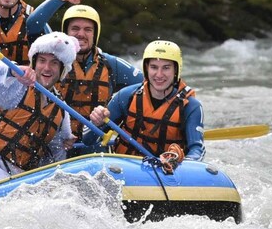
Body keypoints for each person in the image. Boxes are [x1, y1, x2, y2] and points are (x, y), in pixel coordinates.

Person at [0, 32, 79, 188]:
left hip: (16, 174)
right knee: (8, 193)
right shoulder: (15, 85)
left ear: (62, 69)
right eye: (42, 61)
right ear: (34, 62)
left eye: (54, 63)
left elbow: (56, 158)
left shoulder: (61, 111)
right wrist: (13, 70)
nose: (47, 68)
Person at [85, 40, 205, 172]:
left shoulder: (190, 106)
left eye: (166, 67)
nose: (159, 74)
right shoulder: (126, 96)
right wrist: (97, 122)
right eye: (154, 67)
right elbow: (88, 140)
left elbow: (197, 150)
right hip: (125, 170)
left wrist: (182, 162)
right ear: (146, 68)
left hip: (165, 174)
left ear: (176, 70)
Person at [59, 5, 143, 147]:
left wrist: (118, 105)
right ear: (65, 32)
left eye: (88, 29)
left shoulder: (111, 64)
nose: (81, 34)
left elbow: (150, 85)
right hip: (59, 145)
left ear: (95, 34)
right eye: (75, 28)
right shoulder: (53, 61)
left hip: (96, 144)